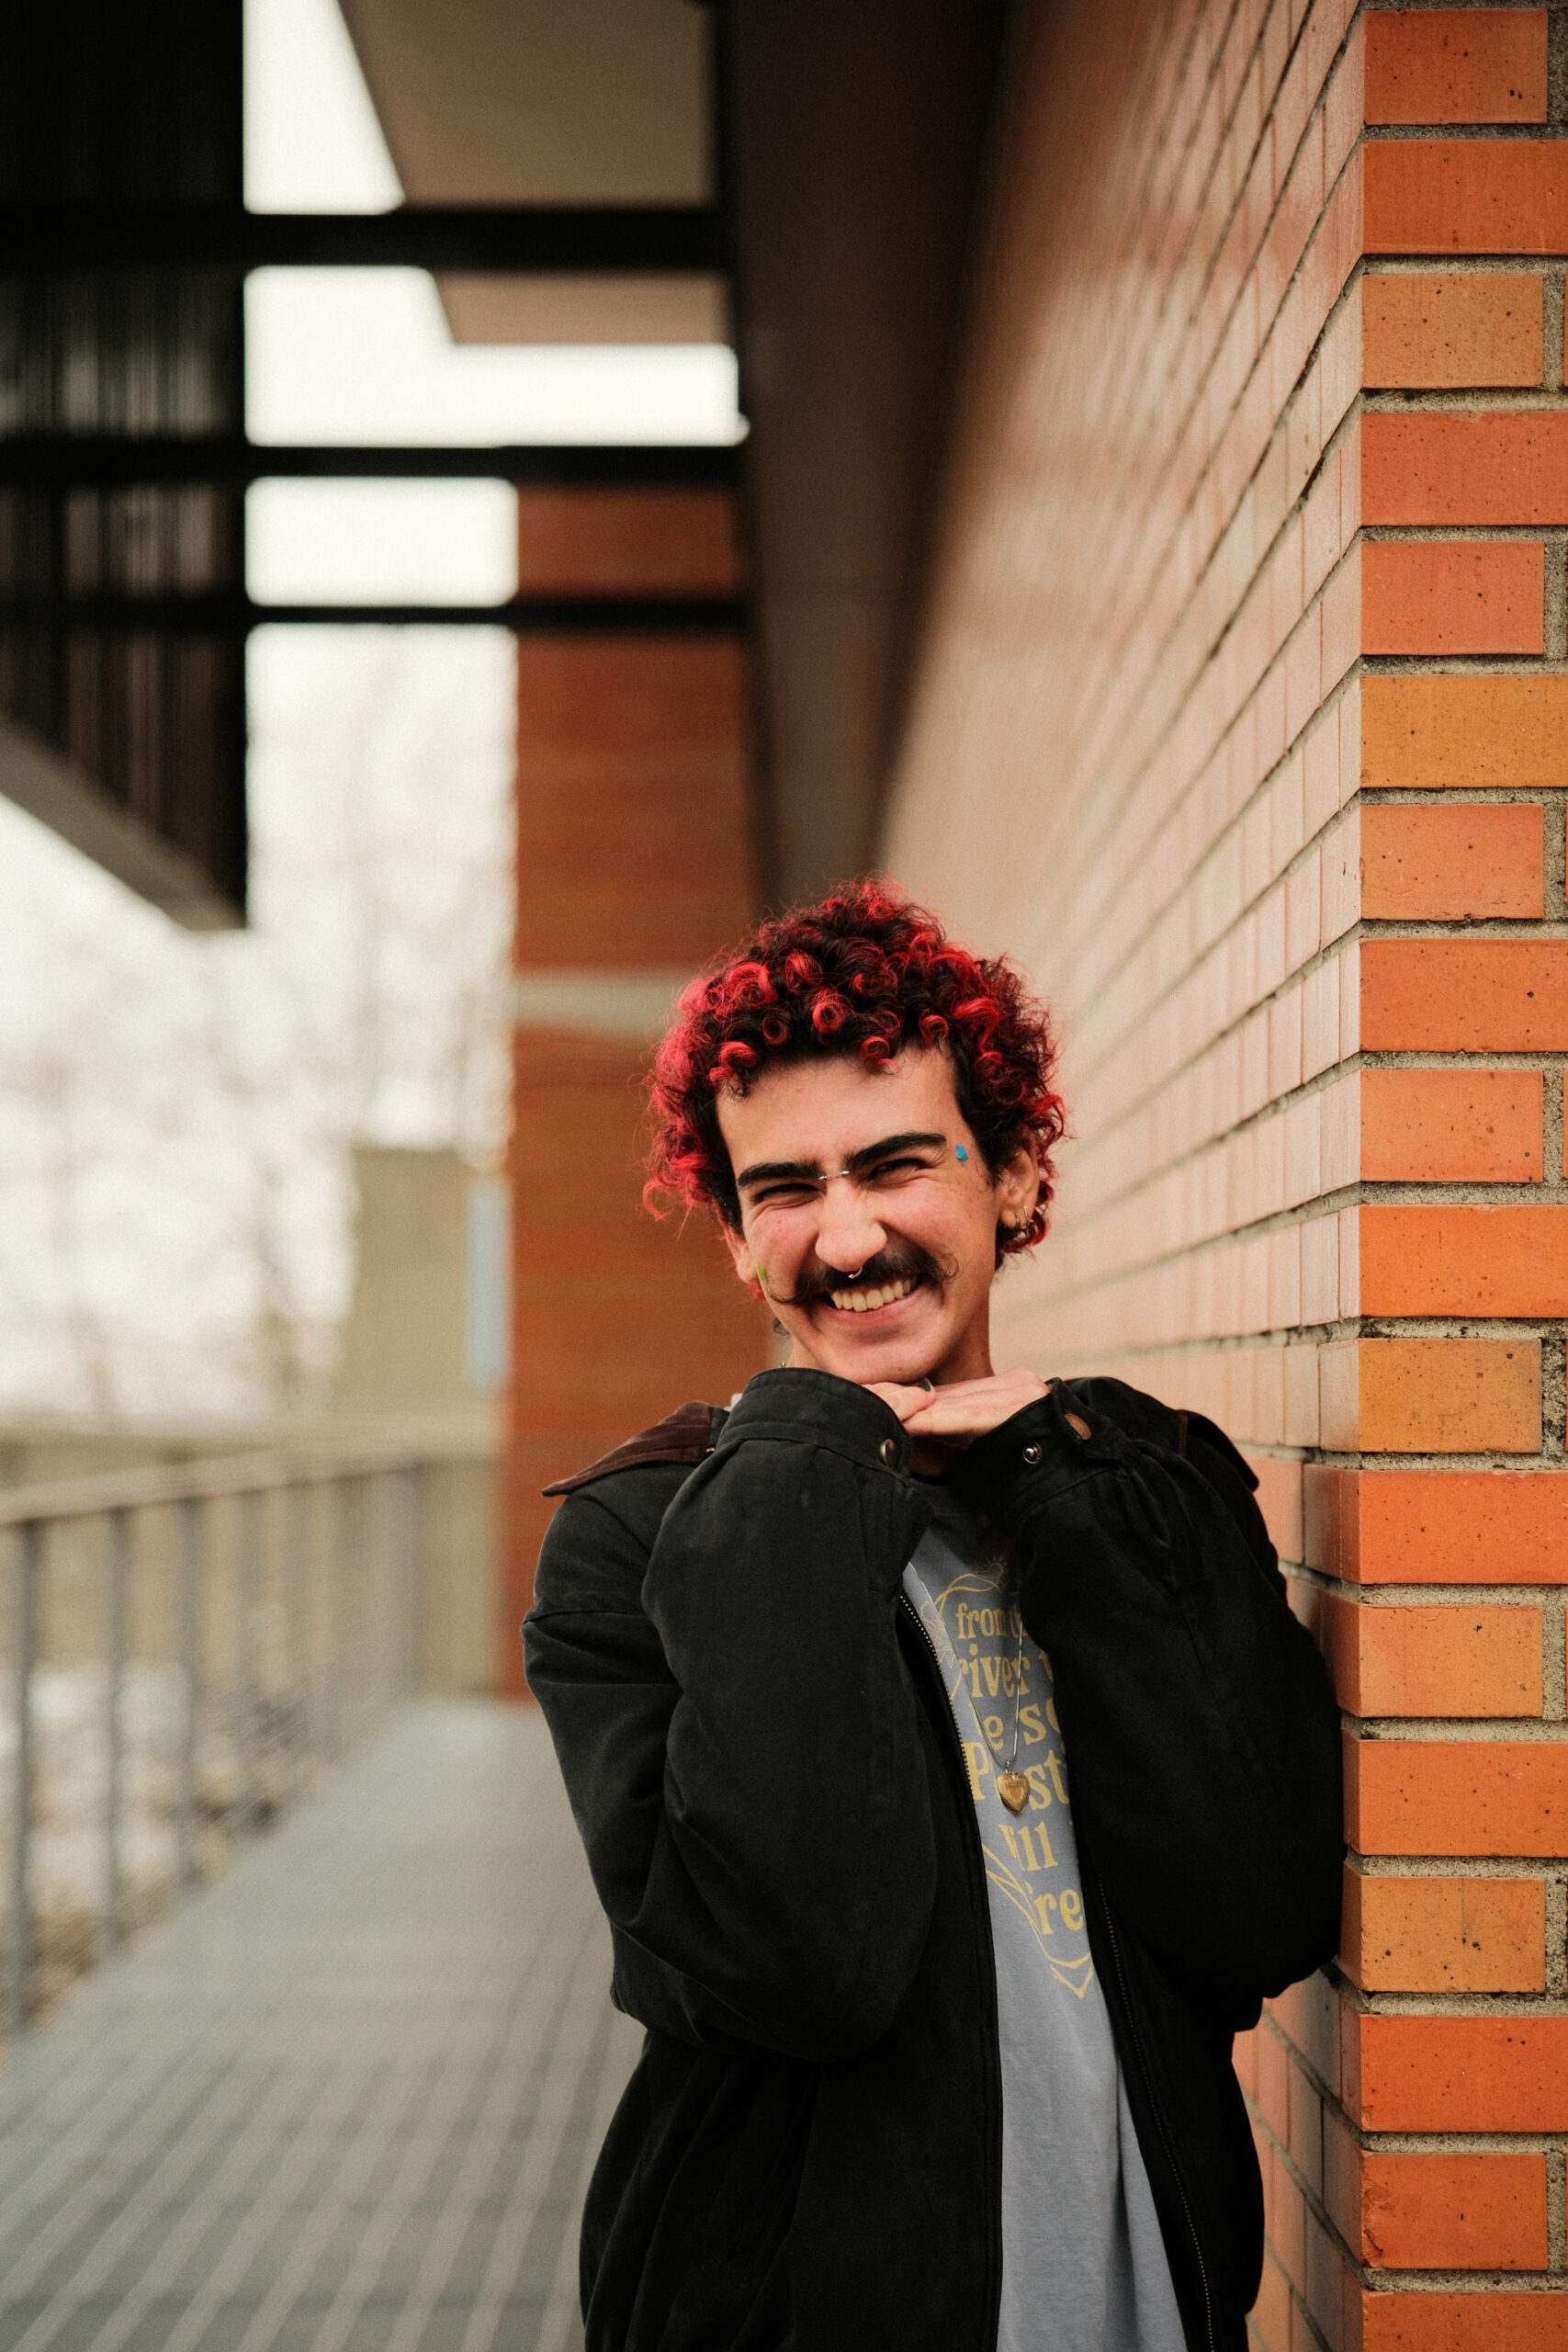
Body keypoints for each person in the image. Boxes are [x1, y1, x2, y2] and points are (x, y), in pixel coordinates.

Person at [524, 882, 1343, 2352]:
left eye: (896, 1165)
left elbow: (1256, 1916)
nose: (846, 1241)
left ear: (1015, 1176)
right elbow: (794, 1969)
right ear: (737, 1239)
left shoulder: (1144, 1487)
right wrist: (807, 1451)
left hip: (1144, 2299)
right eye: (785, 1191)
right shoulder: (638, 1536)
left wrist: (1067, 1482)